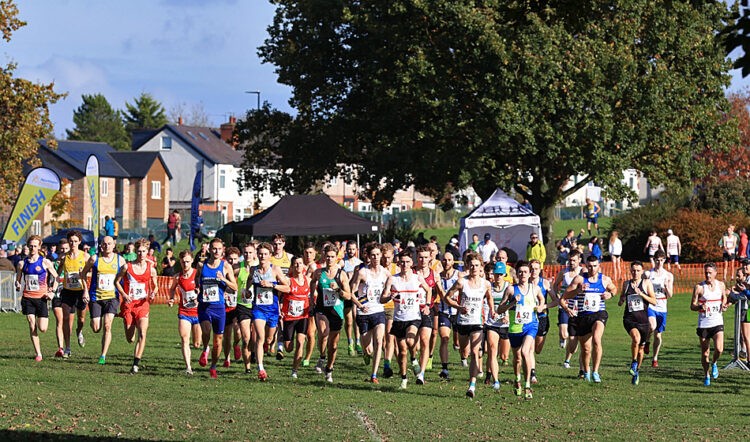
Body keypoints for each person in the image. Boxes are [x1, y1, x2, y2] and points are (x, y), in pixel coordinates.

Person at [379, 249, 431, 390]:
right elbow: (381, 299)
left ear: (411, 263)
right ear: (398, 263)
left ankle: (414, 359)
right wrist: (390, 297)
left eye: (407, 262)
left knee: (410, 340)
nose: (405, 264)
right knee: (402, 351)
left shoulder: (417, 277)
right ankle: (403, 378)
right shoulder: (392, 279)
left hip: (414, 317)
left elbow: (429, 290)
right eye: (402, 262)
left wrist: (426, 305)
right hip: (398, 319)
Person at [563, 255, 617, 383]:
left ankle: (596, 371)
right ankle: (586, 371)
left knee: (597, 339)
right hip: (583, 316)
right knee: (586, 349)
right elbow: (566, 295)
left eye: (595, 266)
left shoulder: (604, 279)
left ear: (599, 266)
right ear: (586, 266)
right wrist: (578, 291)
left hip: (599, 314)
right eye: (590, 266)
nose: (592, 269)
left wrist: (610, 294)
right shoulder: (580, 279)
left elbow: (614, 288)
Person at [497, 261, 545, 399]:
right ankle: (517, 379)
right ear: (517, 274)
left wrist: (541, 306)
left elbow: (541, 300)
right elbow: (499, 309)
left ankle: (528, 385)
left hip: (531, 325)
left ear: (530, 274)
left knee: (525, 352)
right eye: (520, 272)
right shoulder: (511, 290)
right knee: (517, 358)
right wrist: (512, 303)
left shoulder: (534, 288)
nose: (523, 274)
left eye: (525, 272)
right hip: (515, 327)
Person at [114, 238, 158, 374]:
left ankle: (135, 364)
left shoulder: (151, 268)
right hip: (129, 304)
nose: (141, 254)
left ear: (147, 252)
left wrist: (153, 293)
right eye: (139, 251)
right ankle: (125, 319)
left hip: (142, 304)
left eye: (144, 251)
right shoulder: (127, 267)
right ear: (135, 252)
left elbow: (155, 286)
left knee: (142, 334)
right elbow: (116, 282)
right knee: (130, 338)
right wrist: (124, 294)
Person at [81, 236, 126, 365]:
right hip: (96, 297)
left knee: (107, 325)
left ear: (114, 245)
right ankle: (93, 321)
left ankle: (103, 355)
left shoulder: (120, 260)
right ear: (101, 245)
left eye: (109, 244)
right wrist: (85, 290)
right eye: (104, 244)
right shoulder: (95, 259)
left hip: (112, 297)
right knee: (96, 328)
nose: (107, 246)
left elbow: (128, 274)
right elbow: (83, 274)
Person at [197, 238, 238, 378]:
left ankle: (213, 366)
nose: (216, 251)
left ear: (223, 250)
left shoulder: (226, 266)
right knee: (206, 330)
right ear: (209, 250)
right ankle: (205, 348)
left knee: (218, 340)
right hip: (204, 306)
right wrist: (198, 289)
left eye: (219, 249)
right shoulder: (202, 265)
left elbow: (235, 287)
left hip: (219, 308)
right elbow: (198, 280)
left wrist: (224, 279)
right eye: (214, 248)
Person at [349, 243, 391, 383]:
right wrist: (360, 306)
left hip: (378, 311)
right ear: (368, 256)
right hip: (364, 314)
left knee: (380, 341)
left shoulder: (385, 272)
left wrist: (390, 295)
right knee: (368, 349)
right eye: (373, 255)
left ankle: (374, 375)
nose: (376, 257)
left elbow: (393, 285)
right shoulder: (362, 273)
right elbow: (351, 293)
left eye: (378, 254)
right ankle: (366, 354)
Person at [311, 244, 352, 383]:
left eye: (332, 257)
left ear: (336, 257)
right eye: (327, 256)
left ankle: (329, 368)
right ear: (324, 256)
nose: (329, 259)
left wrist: (338, 290)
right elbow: (312, 283)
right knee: (323, 333)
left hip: (337, 311)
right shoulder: (318, 272)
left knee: (333, 345)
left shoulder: (342, 274)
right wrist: (312, 298)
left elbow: (348, 296)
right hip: (322, 308)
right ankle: (322, 356)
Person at [16, 235, 58, 361]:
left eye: (35, 246)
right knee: (31, 324)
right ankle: (38, 353)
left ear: (39, 246)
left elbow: (56, 277)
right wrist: (17, 284)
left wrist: (52, 292)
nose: (33, 248)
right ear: (27, 246)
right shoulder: (22, 263)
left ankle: (39, 349)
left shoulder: (45, 262)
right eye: (31, 246)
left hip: (41, 298)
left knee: (43, 328)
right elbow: (18, 279)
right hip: (28, 297)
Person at [250, 242, 286, 381]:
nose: (262, 256)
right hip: (258, 309)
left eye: (265, 254)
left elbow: (287, 287)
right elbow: (248, 283)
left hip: (272, 310)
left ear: (270, 256)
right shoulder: (253, 270)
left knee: (269, 338)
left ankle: (268, 344)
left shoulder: (275, 270)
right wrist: (247, 292)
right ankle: (260, 368)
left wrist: (272, 285)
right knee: (260, 337)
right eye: (260, 254)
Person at [617, 261, 657, 385]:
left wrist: (641, 294)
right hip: (629, 319)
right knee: (636, 338)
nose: (635, 273)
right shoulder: (626, 284)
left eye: (638, 270)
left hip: (643, 321)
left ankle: (637, 370)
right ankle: (634, 362)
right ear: (630, 271)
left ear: (642, 271)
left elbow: (654, 301)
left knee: (641, 349)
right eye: (633, 270)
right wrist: (622, 300)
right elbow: (620, 300)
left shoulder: (646, 283)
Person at [690, 262, 727, 386]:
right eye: (706, 272)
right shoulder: (699, 287)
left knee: (719, 349)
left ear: (715, 273)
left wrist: (724, 304)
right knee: (705, 352)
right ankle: (706, 375)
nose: (707, 275)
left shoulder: (721, 285)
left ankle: (714, 362)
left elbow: (724, 297)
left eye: (710, 272)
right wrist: (700, 306)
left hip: (717, 321)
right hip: (704, 323)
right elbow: (692, 306)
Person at [277, 256, 312, 379]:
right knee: (289, 348)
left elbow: (314, 293)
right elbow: (279, 295)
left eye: (300, 263)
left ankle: (294, 370)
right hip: (290, 317)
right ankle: (282, 341)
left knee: (300, 342)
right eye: (296, 264)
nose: (298, 266)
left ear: (304, 266)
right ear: (292, 267)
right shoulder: (288, 281)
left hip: (303, 316)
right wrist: (279, 309)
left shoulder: (308, 280)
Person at [168, 250, 200, 375]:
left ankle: (205, 349)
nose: (185, 264)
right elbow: (172, 289)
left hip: (198, 312)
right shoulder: (177, 277)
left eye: (187, 261)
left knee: (197, 344)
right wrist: (171, 299)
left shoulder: (198, 275)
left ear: (192, 261)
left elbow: (205, 289)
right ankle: (188, 367)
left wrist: (199, 294)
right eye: (183, 262)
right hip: (184, 312)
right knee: (184, 338)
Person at [59, 231, 89, 356]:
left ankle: (79, 331)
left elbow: (92, 273)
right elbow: (58, 271)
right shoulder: (64, 257)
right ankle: (68, 348)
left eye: (76, 241)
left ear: (80, 242)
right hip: (67, 291)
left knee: (81, 319)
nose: (73, 243)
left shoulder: (85, 257)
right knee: (65, 318)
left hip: (81, 291)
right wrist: (53, 284)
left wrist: (86, 291)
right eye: (71, 241)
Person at [553, 249, 583, 369]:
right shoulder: (563, 273)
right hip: (564, 305)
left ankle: (567, 360)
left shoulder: (582, 272)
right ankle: (562, 337)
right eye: (570, 260)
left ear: (579, 260)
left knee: (573, 338)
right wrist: (558, 296)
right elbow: (555, 285)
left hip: (578, 306)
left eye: (574, 260)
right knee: (564, 334)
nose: (571, 263)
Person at [484, 261, 510, 390]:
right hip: (492, 323)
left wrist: (506, 315)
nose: (498, 277)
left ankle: (489, 373)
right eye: (496, 274)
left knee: (504, 356)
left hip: (505, 325)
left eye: (500, 274)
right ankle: (496, 380)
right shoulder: (489, 287)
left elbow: (513, 306)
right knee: (492, 350)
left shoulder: (509, 287)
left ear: (504, 274)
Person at [412, 245, 436, 384]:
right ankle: (413, 359)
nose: (423, 260)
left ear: (430, 257)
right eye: (421, 257)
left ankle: (421, 374)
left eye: (426, 257)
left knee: (425, 340)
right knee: (412, 344)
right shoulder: (411, 272)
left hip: (427, 310)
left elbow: (437, 291)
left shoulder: (434, 274)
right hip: (411, 310)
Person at [646, 250, 674, 367]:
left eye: (661, 260)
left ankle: (655, 358)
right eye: (657, 260)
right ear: (654, 260)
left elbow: (670, 295)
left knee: (658, 335)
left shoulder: (668, 275)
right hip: (651, 304)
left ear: (664, 260)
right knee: (651, 326)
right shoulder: (648, 274)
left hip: (662, 306)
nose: (659, 262)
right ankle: (647, 341)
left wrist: (667, 287)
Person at [436, 251, 461, 380]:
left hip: (458, 312)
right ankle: (445, 368)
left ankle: (463, 355)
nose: (446, 262)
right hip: (444, 311)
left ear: (453, 261)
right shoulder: (438, 277)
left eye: (449, 260)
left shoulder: (459, 276)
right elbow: (437, 294)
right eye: (444, 260)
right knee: (445, 338)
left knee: (460, 342)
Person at [530, 259, 555, 384]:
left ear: (540, 270)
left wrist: (544, 306)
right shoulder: (524, 282)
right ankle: (531, 372)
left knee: (537, 349)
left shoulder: (545, 283)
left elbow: (556, 301)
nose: (533, 271)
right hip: (528, 319)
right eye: (531, 268)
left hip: (542, 318)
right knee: (528, 346)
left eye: (536, 268)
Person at [236, 242, 258, 373]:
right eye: (245, 252)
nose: (248, 255)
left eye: (250, 252)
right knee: (246, 338)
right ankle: (247, 367)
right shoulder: (238, 267)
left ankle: (254, 352)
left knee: (256, 338)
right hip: (243, 305)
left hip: (257, 305)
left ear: (255, 253)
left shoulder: (260, 267)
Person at [221, 247, 242, 368]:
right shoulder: (223, 270)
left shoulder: (241, 271)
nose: (233, 262)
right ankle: (227, 358)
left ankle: (236, 344)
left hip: (237, 306)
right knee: (227, 335)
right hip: (225, 306)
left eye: (235, 259)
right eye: (230, 259)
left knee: (238, 331)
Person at [380, 242, 399, 378]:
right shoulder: (377, 269)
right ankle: (396, 362)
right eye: (384, 257)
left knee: (390, 336)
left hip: (392, 307)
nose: (386, 260)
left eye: (389, 257)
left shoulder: (396, 270)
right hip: (378, 306)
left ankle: (387, 365)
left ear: (393, 256)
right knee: (381, 339)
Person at [341, 240, 363, 356]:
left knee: (356, 317)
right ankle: (350, 342)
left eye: (353, 249)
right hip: (346, 293)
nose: (351, 251)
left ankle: (358, 342)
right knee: (349, 320)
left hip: (355, 293)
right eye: (349, 249)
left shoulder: (359, 263)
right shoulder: (342, 262)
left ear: (356, 250)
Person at [300, 242, 319, 367]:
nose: (308, 255)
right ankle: (299, 353)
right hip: (299, 302)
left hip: (313, 301)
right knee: (301, 333)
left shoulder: (318, 268)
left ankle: (307, 357)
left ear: (315, 254)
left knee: (311, 332)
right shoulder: (298, 266)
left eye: (311, 253)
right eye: (306, 253)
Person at [51, 240, 68, 358]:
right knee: (60, 320)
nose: (64, 251)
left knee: (68, 322)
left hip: (69, 294)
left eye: (66, 249)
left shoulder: (72, 263)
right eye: (62, 249)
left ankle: (68, 346)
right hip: (57, 295)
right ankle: (60, 348)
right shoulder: (52, 264)